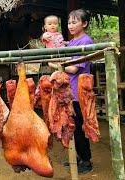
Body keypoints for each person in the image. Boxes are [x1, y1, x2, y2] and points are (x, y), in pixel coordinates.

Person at [48, 9, 93, 174]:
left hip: (78, 91)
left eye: (75, 22)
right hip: (69, 91)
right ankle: (78, 158)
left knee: (79, 126)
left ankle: (86, 161)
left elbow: (73, 68)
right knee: (70, 126)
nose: (71, 25)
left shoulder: (86, 41)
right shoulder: (72, 42)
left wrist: (56, 66)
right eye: (69, 22)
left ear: (85, 23)